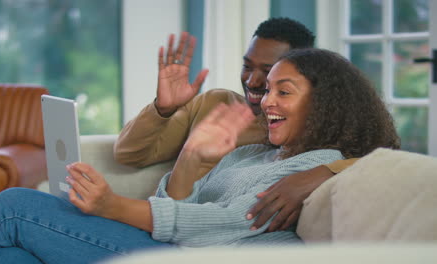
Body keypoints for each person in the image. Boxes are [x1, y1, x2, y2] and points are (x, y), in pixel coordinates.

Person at [0, 48, 400, 264]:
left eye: (282, 91)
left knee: (13, 207)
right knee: (10, 258)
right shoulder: (251, 153)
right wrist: (192, 158)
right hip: (168, 247)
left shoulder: (313, 164)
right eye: (267, 89)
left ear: (325, 104)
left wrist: (111, 205)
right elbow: (176, 211)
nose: (265, 100)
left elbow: (224, 227)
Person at [114, 17, 355, 231]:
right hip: (161, 217)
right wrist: (163, 109)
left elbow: (376, 159)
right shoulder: (215, 104)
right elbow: (129, 154)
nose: (252, 80)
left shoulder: (302, 133)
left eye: (268, 71)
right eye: (247, 66)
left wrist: (325, 172)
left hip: (201, 233)